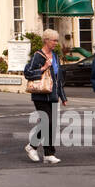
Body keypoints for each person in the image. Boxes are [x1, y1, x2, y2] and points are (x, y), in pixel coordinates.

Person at [23, 29, 67, 164]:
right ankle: (32, 146)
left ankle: (49, 154)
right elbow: (27, 73)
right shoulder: (38, 56)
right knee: (46, 122)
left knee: (52, 125)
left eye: (56, 41)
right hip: (40, 95)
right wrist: (43, 68)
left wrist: (63, 96)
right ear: (46, 40)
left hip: (53, 95)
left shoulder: (55, 56)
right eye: (53, 40)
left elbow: (58, 79)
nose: (55, 43)